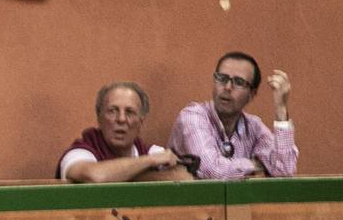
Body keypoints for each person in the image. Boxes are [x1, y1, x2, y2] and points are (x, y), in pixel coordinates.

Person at [167, 52, 297, 180]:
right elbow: (212, 171)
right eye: (222, 78)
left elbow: (284, 170)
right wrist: (255, 165)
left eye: (239, 82)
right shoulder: (192, 116)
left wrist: (281, 110)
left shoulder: (254, 127)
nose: (228, 87)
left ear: (252, 94)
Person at [59, 82, 195, 183]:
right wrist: (149, 162)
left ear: (141, 121)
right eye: (112, 111)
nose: (121, 119)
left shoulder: (151, 151)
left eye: (130, 112)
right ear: (99, 118)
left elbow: (184, 178)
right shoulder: (79, 151)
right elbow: (94, 176)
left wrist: (121, 175)